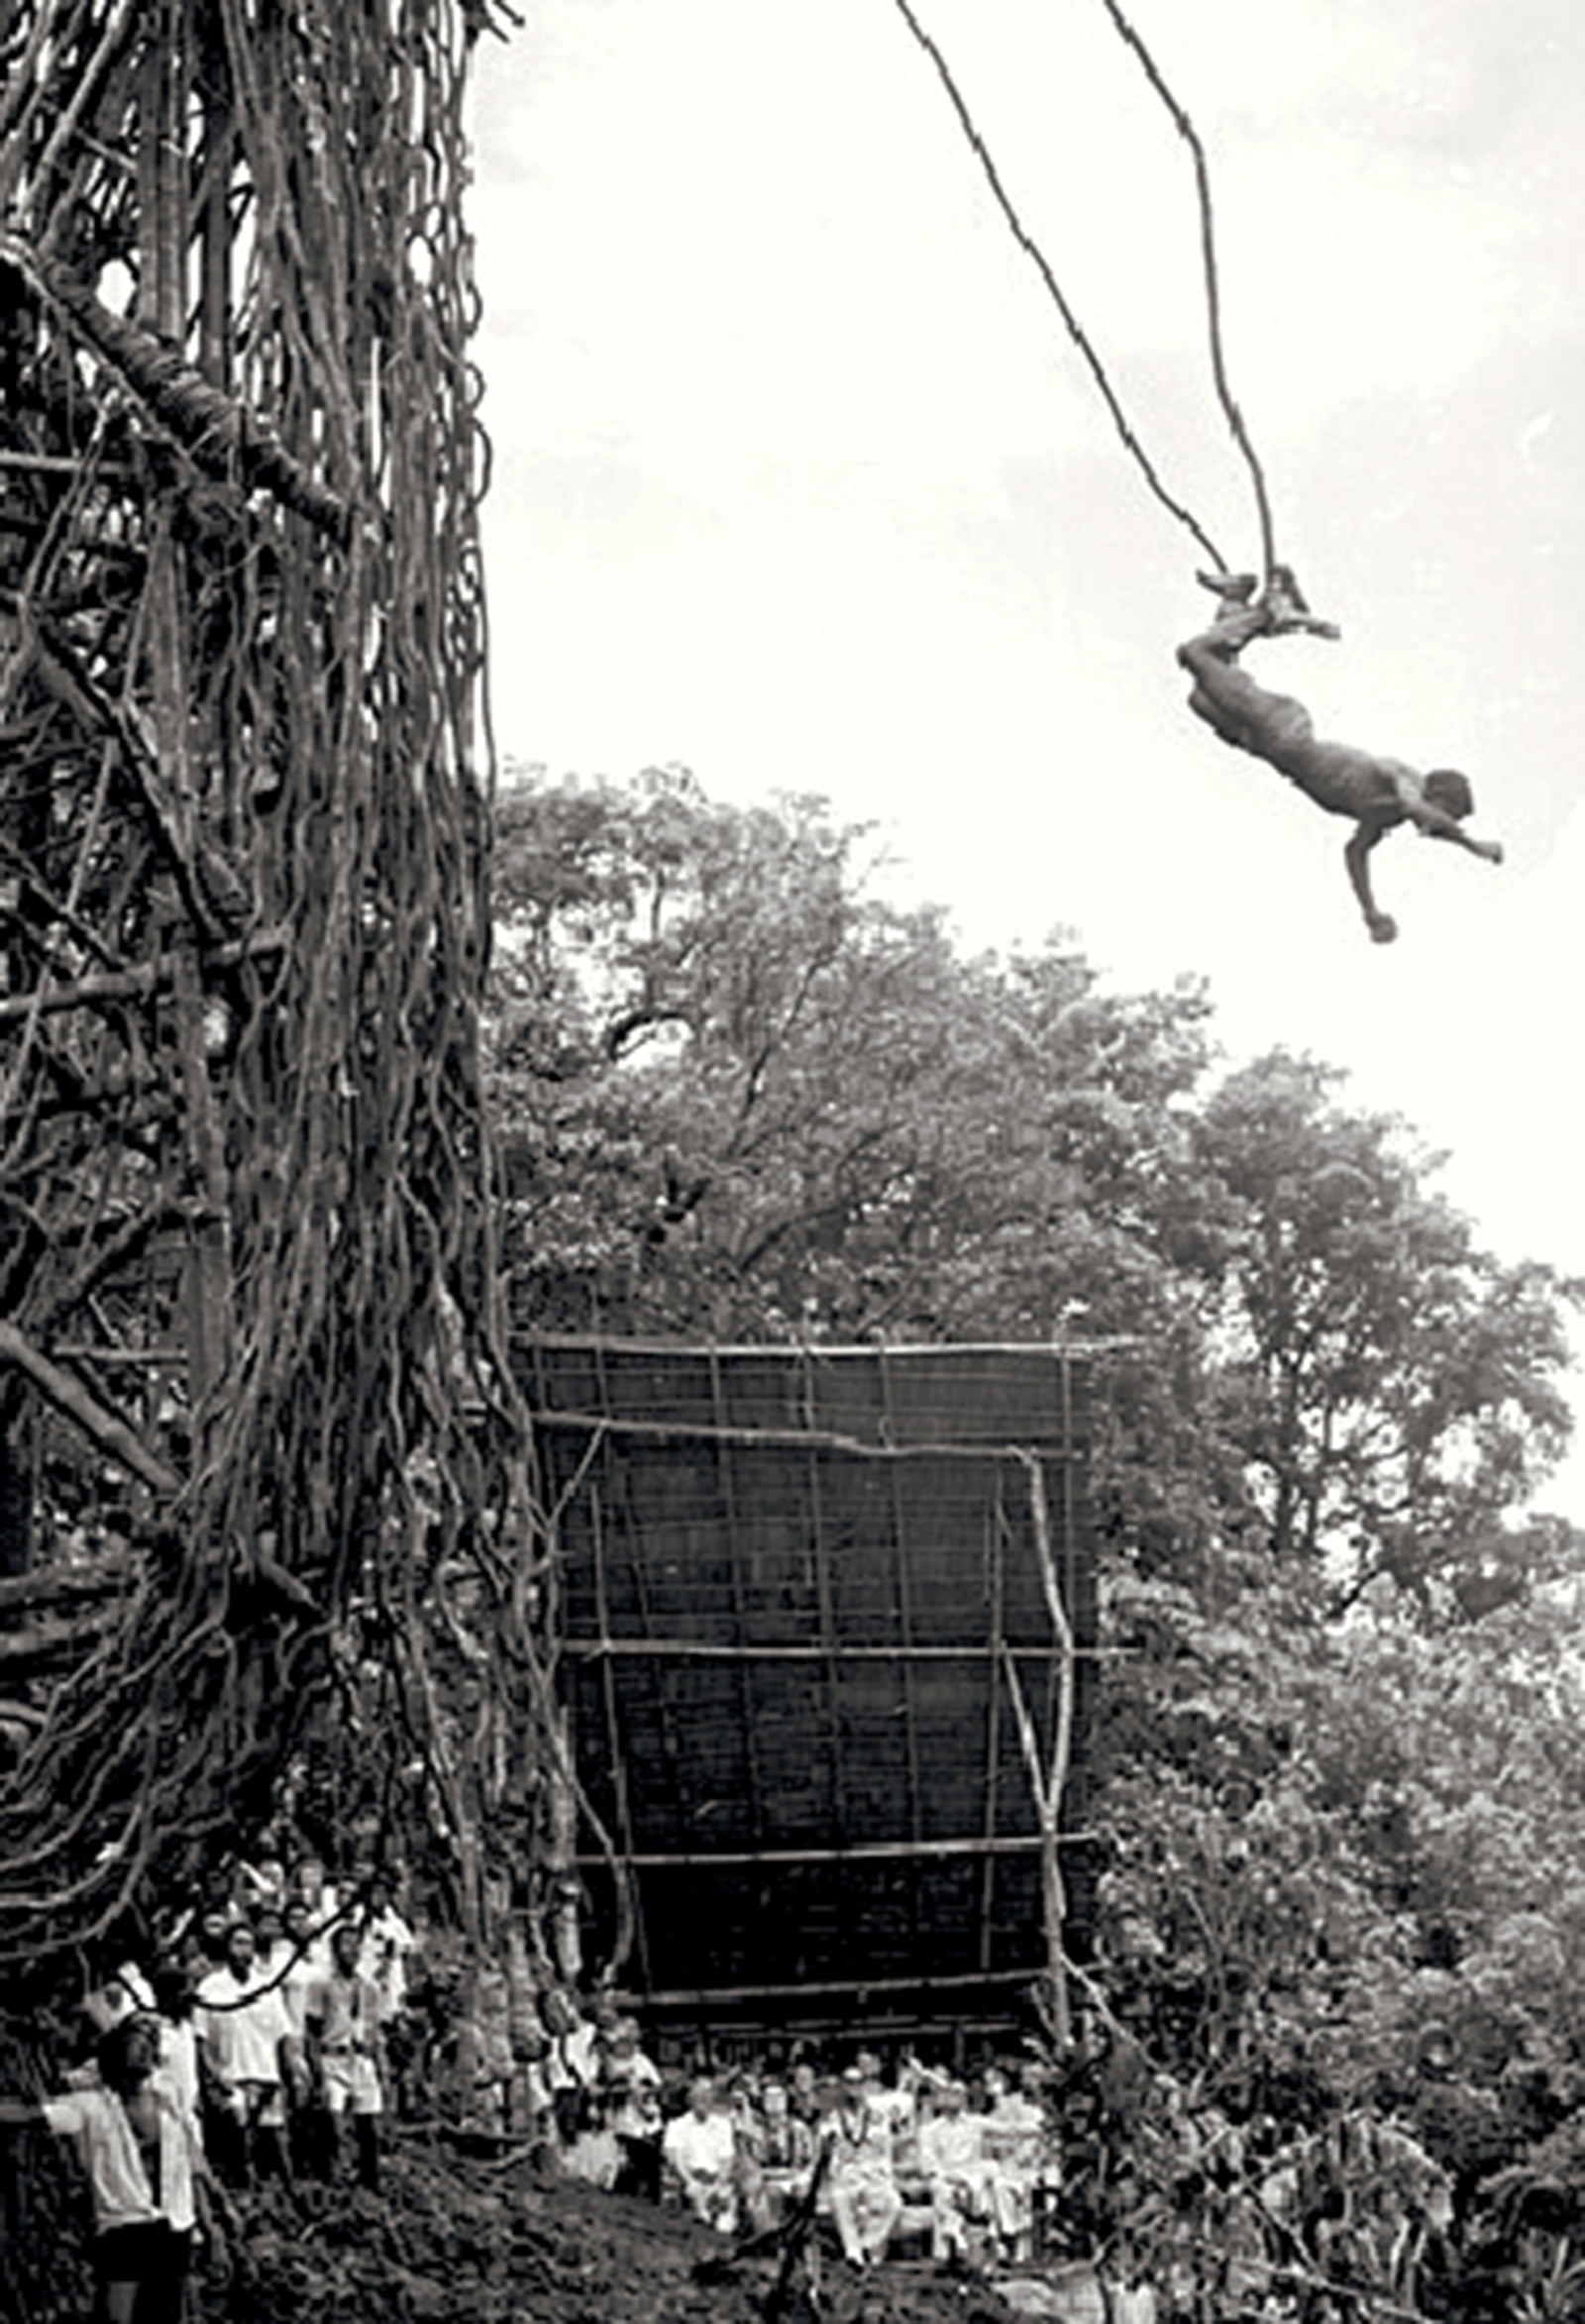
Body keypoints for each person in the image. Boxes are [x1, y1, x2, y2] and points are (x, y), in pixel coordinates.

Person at [1177, 570, 1503, 944]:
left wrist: (1370, 911)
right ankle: (1271, 614)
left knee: (1200, 695)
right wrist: (1474, 846)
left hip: (1262, 744)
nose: (1436, 827)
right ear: (1438, 797)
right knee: (1193, 653)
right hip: (1282, 728)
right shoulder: (1400, 779)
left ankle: (1237, 598)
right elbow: (1418, 810)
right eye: (1447, 814)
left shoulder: (1382, 816)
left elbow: (1354, 854)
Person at [0, 2013, 204, 2324]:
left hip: (174, 2221)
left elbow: (192, 2162)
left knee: (167, 2311)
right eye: (132, 2056)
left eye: (144, 2056)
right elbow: (30, 2115)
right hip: (123, 2224)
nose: (141, 2062)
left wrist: (212, 2218)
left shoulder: (168, 2099)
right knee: (117, 2315)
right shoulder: (90, 2107)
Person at [194, 1918, 306, 2184]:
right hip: (231, 2078)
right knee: (240, 2141)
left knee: (277, 2142)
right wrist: (215, 2078)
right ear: (227, 1947)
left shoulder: (267, 1988)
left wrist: (293, 2072)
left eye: (249, 1944)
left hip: (267, 2076)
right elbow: (200, 2040)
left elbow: (283, 2036)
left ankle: (288, 2195)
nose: (244, 1951)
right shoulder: (210, 1988)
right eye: (238, 1943)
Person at [304, 1921, 385, 2191]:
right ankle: (331, 2175)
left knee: (369, 2122)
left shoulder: (368, 1987)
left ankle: (369, 2178)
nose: (352, 1950)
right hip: (332, 2056)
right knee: (333, 2120)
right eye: (346, 1944)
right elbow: (313, 2028)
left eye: (356, 1945)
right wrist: (315, 2065)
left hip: (360, 2057)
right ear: (335, 1949)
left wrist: (377, 2059)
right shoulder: (321, 1984)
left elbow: (374, 2026)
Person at [825, 2063, 902, 2269]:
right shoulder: (832, 2118)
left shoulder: (878, 2115)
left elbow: (884, 2150)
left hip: (873, 2175)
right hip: (846, 2175)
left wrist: (880, 2174)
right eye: (849, 2083)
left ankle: (866, 2245)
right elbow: (827, 2152)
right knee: (839, 2197)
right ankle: (853, 2252)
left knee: (893, 2203)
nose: (854, 2089)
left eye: (858, 2083)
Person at [661, 2074, 740, 2233]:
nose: (703, 2100)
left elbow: (727, 2160)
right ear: (690, 2100)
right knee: (696, 2201)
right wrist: (690, 2181)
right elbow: (674, 2160)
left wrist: (717, 2184)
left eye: (707, 2095)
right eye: (699, 2096)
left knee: (724, 2226)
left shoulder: (723, 2126)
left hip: (715, 2180)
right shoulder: (676, 2126)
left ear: (712, 2099)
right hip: (689, 2179)